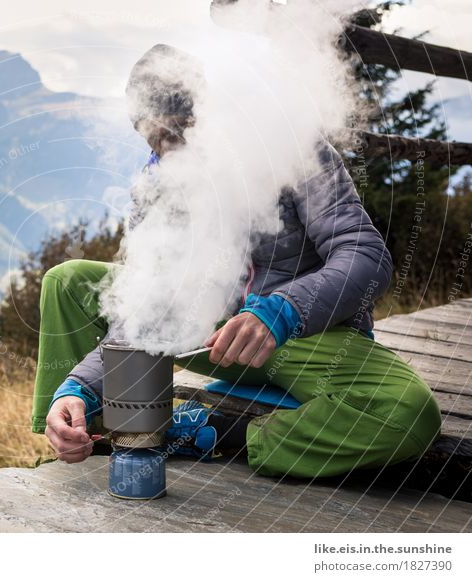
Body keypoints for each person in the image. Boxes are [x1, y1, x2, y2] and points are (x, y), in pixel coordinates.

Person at [31, 44, 441, 478]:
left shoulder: (290, 149)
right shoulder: (158, 183)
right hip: (208, 341)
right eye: (153, 140)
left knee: (408, 411)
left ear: (207, 114)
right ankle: (78, 437)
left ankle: (215, 433)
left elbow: (366, 255)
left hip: (301, 338)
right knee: (69, 280)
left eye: (176, 134)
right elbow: (143, 305)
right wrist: (79, 388)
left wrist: (283, 311)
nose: (167, 155)